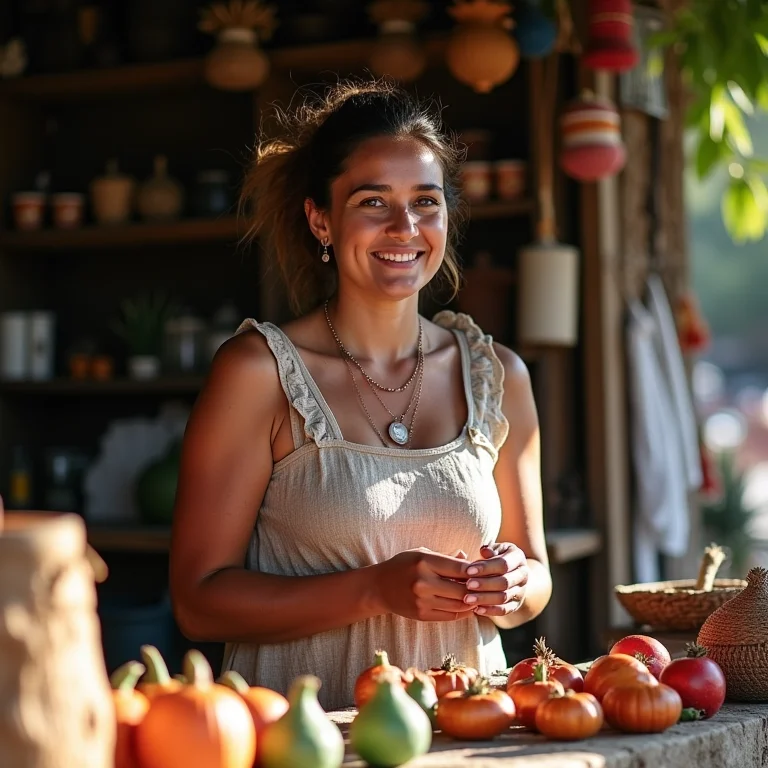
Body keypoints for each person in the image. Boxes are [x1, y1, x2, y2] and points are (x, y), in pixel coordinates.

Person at [169, 79, 552, 710]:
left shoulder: (497, 376)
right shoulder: (259, 373)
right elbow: (198, 603)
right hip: (305, 736)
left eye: (425, 201)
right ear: (321, 218)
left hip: (464, 732)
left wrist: (512, 585)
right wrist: (374, 590)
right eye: (374, 201)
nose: (405, 227)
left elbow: (535, 580)